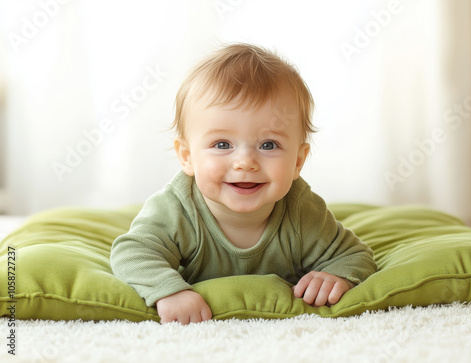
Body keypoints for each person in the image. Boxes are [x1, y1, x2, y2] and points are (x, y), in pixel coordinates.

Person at [110, 43, 377, 325]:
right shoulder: (177, 210)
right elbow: (132, 252)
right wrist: (169, 291)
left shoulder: (302, 211)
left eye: (269, 144)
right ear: (187, 158)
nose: (245, 162)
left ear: (298, 161)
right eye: (222, 144)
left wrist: (335, 276)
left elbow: (355, 255)